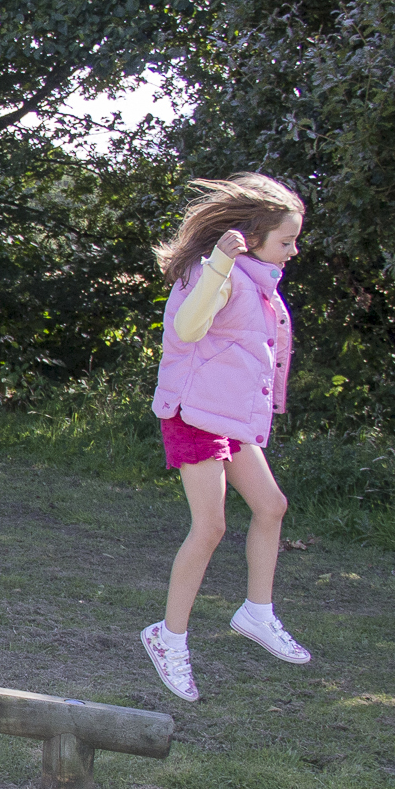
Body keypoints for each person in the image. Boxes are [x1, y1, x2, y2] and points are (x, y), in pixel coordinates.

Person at [139, 173, 313, 703]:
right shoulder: (213, 272)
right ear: (252, 235)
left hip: (228, 419)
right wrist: (218, 263)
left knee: (271, 505)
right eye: (286, 240)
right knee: (210, 526)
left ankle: (256, 612)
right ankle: (167, 638)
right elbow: (187, 330)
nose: (294, 249)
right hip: (192, 415)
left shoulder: (258, 281)